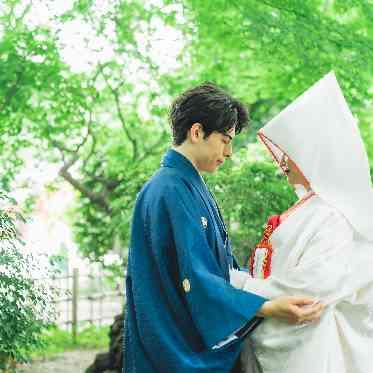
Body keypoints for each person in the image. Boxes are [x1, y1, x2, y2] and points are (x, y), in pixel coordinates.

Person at [123, 83, 323, 373]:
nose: (229, 152)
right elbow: (197, 276)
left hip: (183, 331)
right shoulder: (169, 189)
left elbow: (220, 267)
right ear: (196, 132)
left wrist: (261, 288)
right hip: (172, 341)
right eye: (225, 140)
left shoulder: (187, 184)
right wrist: (264, 306)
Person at [231, 72, 373, 373]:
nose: (282, 162)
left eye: (290, 154)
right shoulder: (308, 207)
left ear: (313, 155)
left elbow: (314, 286)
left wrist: (241, 287)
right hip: (282, 336)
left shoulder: (335, 214)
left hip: (308, 348)